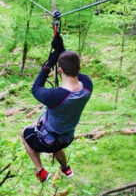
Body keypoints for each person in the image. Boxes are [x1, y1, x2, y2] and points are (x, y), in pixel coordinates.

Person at [21, 33, 93, 183]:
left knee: (24, 134)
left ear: (59, 70)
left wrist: (48, 65)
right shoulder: (87, 86)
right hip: (67, 138)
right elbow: (70, 65)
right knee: (57, 144)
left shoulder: (55, 96)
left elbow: (35, 88)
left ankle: (40, 171)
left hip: (48, 141)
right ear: (79, 68)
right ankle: (66, 168)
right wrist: (60, 48)